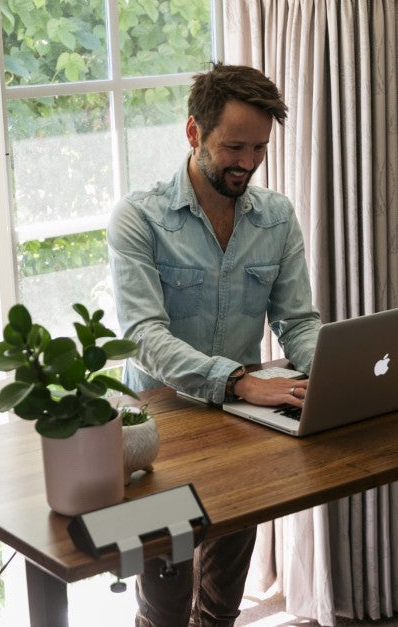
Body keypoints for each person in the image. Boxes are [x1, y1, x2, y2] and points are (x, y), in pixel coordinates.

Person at [107, 62, 322, 627]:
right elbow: (142, 337)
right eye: (234, 147)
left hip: (246, 428)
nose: (247, 164)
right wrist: (236, 380)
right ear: (193, 133)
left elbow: (298, 321)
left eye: (259, 149)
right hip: (161, 439)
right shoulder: (139, 219)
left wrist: (333, 369)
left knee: (223, 604)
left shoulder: (276, 218)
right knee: (166, 610)